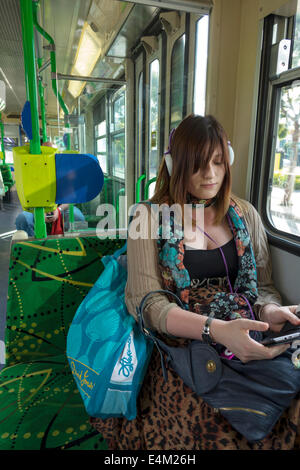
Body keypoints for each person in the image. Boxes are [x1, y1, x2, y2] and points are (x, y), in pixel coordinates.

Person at [90, 114, 300, 450]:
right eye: (198, 165)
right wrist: (214, 330)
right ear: (175, 166)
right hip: (180, 339)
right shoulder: (146, 217)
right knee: (215, 424)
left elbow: (263, 286)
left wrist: (269, 310)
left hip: (245, 324)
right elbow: (148, 305)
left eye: (218, 162)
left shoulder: (245, 213)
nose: (211, 175)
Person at [15, 203, 85, 237]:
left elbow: (71, 197)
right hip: (35, 207)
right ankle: (33, 247)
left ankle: (70, 244)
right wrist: (39, 212)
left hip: (62, 207)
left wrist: (59, 210)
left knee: (78, 217)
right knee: (22, 219)